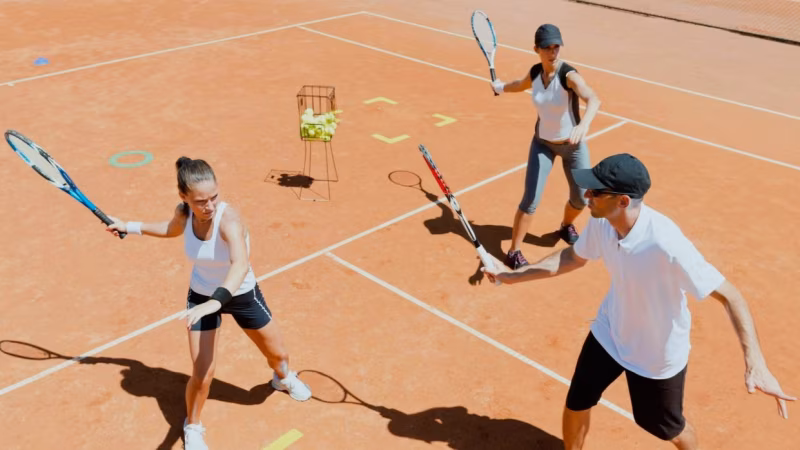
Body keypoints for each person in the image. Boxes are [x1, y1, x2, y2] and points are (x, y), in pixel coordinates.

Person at [482, 153, 795, 449]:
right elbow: (572, 259)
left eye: (594, 191)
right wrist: (514, 275)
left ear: (622, 201)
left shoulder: (666, 245)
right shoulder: (603, 222)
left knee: (663, 425)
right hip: (611, 329)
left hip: (655, 352)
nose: (586, 195)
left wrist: (756, 362)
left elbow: (731, 296)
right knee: (578, 399)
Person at [106, 157, 312, 450]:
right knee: (202, 373)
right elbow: (171, 229)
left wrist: (218, 301)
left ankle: (282, 379)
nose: (210, 206)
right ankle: (193, 425)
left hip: (239, 293)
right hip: (201, 296)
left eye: (214, 197)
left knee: (278, 355)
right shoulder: (184, 214)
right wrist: (129, 225)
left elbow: (240, 264)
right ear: (184, 198)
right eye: (201, 201)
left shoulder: (230, 219)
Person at [491, 23, 602, 269]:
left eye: (556, 47)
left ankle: (565, 226)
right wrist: (499, 87)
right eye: (547, 48)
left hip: (573, 146)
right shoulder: (535, 73)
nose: (553, 52)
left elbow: (593, 98)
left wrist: (583, 125)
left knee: (582, 198)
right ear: (536, 49)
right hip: (542, 144)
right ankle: (513, 251)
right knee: (531, 199)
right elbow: (519, 85)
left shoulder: (568, 75)